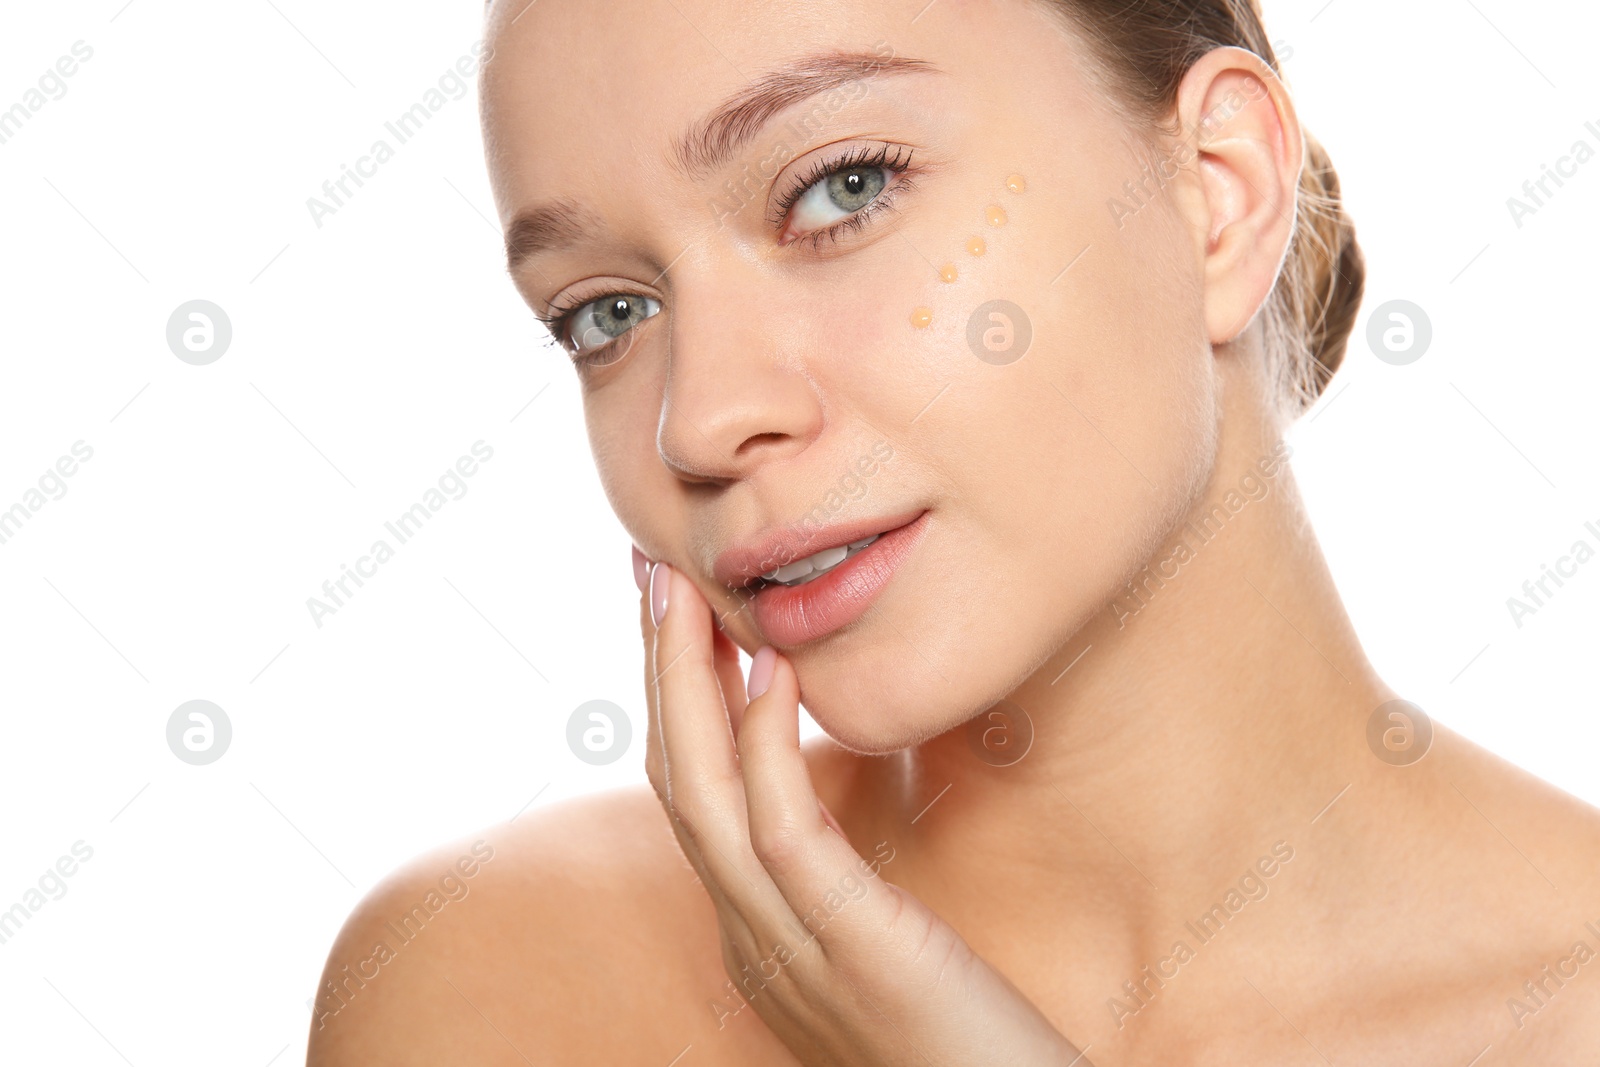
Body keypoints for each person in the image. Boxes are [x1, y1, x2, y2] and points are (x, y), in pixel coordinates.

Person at [307, 0, 1600, 1062]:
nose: (697, 422)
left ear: (1218, 191)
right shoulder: (499, 989)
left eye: (840, 189)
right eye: (605, 313)